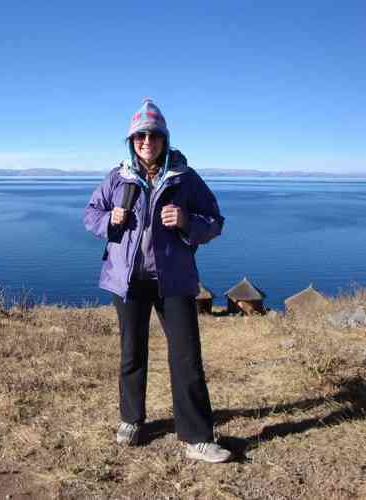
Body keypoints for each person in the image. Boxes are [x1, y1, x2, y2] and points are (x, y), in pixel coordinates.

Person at [83, 98, 231, 463]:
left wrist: (185, 220)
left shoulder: (185, 179)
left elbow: (214, 222)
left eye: (152, 135)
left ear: (164, 139)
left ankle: (197, 437)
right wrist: (109, 220)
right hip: (128, 281)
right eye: (139, 136)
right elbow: (90, 215)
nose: (146, 141)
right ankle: (131, 420)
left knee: (186, 357)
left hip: (174, 280)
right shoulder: (117, 178)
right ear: (131, 141)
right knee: (131, 353)